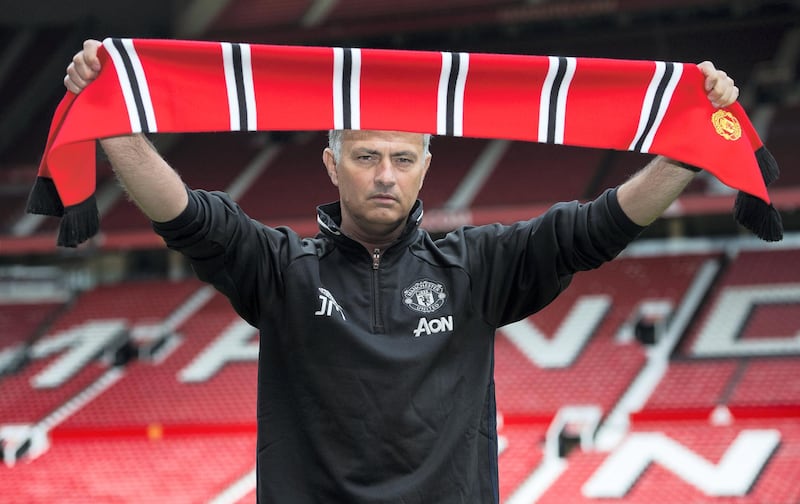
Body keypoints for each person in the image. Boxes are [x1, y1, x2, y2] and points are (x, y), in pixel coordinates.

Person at [65, 39, 738, 503]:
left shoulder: (479, 265)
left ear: (425, 167)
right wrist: (115, 126)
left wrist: (686, 150)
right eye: (364, 156)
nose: (384, 174)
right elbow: (185, 216)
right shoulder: (279, 269)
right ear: (332, 164)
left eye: (402, 158)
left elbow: (599, 227)